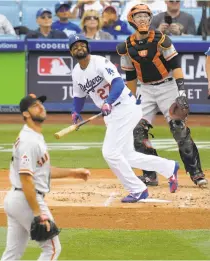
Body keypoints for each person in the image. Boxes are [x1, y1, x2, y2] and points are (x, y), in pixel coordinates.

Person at [69, 33, 179, 203]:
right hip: (112, 114)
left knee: (110, 153)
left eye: (81, 44)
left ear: (87, 47)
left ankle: (137, 189)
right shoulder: (76, 72)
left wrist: (108, 101)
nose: (79, 48)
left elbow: (118, 83)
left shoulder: (99, 62)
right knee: (127, 155)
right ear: (71, 52)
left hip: (125, 107)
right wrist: (75, 111)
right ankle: (169, 167)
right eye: (75, 46)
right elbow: (79, 95)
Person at [116, 4, 208, 187]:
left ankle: (196, 173)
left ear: (150, 19)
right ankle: (150, 174)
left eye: (145, 16)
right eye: (138, 16)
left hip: (168, 86)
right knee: (137, 131)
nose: (142, 19)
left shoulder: (162, 40)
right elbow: (130, 76)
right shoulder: (126, 47)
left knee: (178, 128)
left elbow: (176, 66)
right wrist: (131, 101)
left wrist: (181, 92)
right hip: (145, 89)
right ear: (131, 20)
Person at [1, 93, 90, 260]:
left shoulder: (34, 137)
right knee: (52, 249)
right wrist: (38, 213)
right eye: (35, 105)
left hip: (16, 200)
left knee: (12, 254)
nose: (41, 107)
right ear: (25, 114)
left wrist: (73, 173)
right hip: (27, 200)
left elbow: (42, 170)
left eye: (41, 104)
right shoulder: (30, 141)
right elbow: (26, 179)